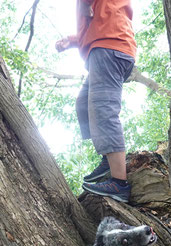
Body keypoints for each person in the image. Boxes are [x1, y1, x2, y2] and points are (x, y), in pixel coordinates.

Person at [56, 0, 136, 203]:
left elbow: (96, 13)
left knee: (103, 110)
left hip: (109, 45)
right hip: (104, 45)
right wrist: (72, 41)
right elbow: (96, 21)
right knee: (84, 105)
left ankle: (119, 183)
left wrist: (83, 5)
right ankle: (109, 160)